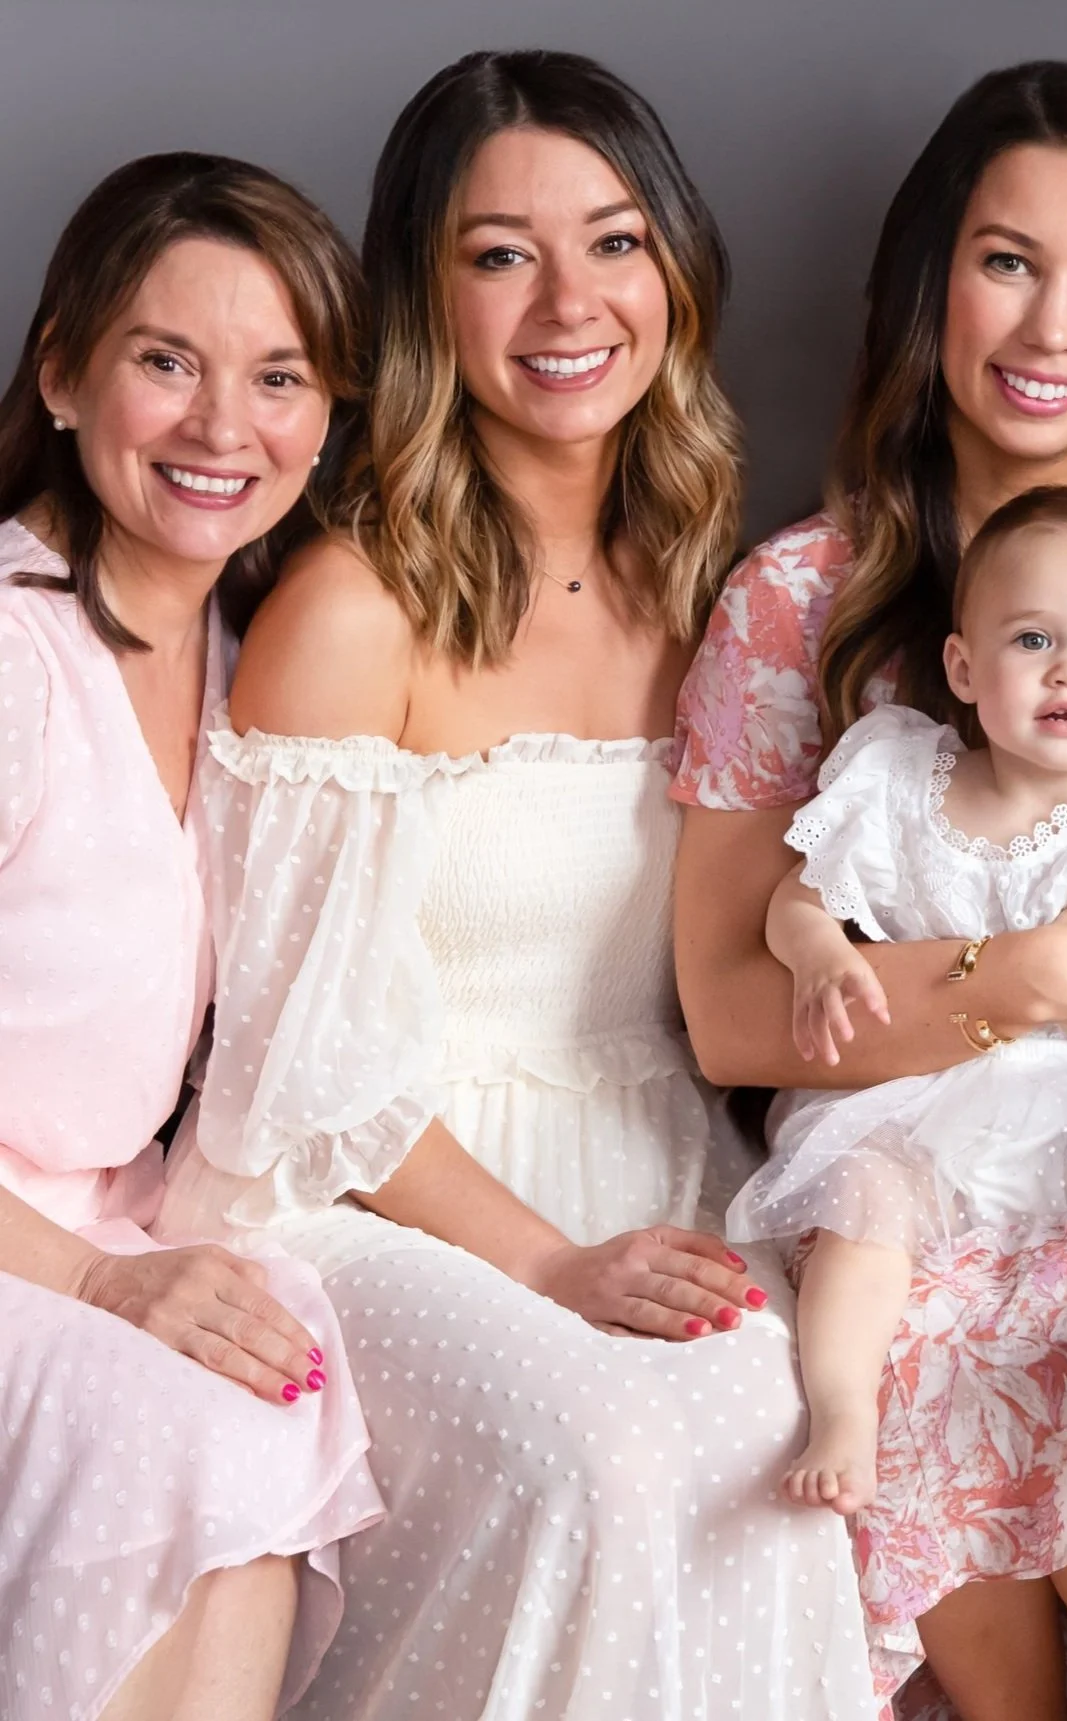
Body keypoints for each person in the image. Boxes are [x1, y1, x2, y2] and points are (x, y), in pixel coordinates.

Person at [154, 50, 875, 1721]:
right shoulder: (352, 605)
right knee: (611, 1455)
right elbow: (296, 1061)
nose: (569, 301)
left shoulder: (716, 587)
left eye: (614, 242)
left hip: (658, 1158)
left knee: (786, 1425)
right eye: (499, 254)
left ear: (676, 273)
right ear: (426, 298)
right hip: (374, 1193)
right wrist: (551, 1268)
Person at [672, 60, 1067, 1721]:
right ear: (931, 284)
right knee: (911, 1321)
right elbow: (736, 1013)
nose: (1052, 323)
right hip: (932, 1157)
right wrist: (1017, 983)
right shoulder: (802, 596)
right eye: (1008, 260)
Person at [0, 154, 382, 1721]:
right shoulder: (12, 655)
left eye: (278, 377)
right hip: (26, 1241)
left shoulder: (251, 657)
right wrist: (97, 1285)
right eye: (168, 362)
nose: (227, 429)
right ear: (65, 376)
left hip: (120, 1213)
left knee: (266, 1383)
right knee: (200, 1426)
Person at [727, 487, 1067, 1518]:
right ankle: (841, 1411)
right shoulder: (896, 783)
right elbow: (794, 904)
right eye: (1035, 638)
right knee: (862, 1207)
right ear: (965, 668)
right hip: (924, 1085)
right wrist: (819, 958)